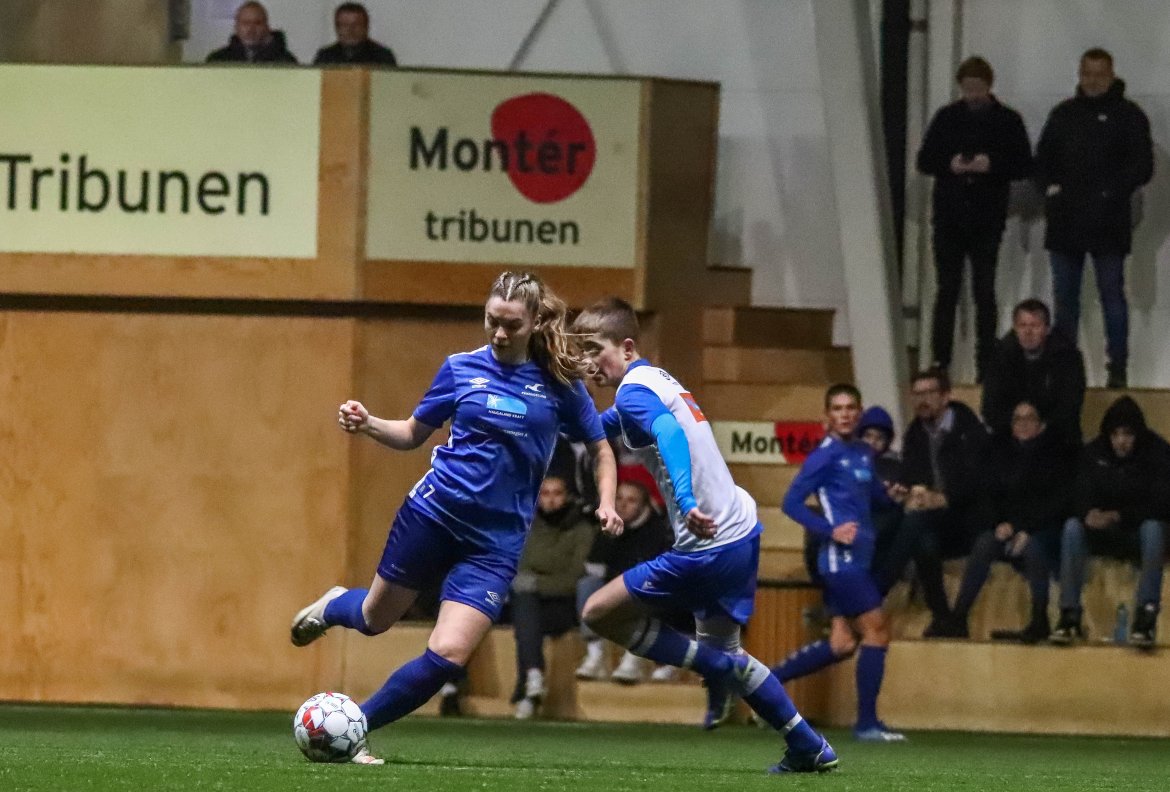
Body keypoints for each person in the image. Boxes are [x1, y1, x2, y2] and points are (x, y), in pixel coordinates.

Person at [289, 271, 622, 763]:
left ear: (535, 322)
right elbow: (411, 433)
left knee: (448, 654)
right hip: (432, 515)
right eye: (492, 321)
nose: (500, 333)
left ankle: (354, 729)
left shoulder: (559, 383)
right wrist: (368, 424)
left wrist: (607, 502)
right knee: (374, 619)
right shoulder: (460, 369)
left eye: (512, 324)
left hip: (495, 543)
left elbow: (600, 448)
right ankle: (335, 605)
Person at [572, 297, 838, 774]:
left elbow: (669, 433)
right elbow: (600, 427)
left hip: (707, 543)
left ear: (627, 347)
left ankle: (712, 669)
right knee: (727, 652)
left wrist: (686, 499)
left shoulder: (633, 393)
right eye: (582, 352)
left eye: (595, 350)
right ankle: (806, 744)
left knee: (598, 613)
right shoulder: (656, 381)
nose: (589, 362)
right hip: (741, 530)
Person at [776, 385, 906, 742]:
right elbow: (791, 503)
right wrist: (829, 530)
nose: (845, 414)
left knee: (842, 644)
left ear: (859, 413)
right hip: (840, 561)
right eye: (837, 408)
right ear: (827, 416)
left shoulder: (863, 452)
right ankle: (867, 724)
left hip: (860, 558)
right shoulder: (824, 456)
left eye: (850, 408)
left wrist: (892, 496)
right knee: (877, 629)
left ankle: (764, 683)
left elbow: (873, 497)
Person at [1036, 48, 1154, 388]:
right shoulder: (1063, 114)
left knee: (1112, 297)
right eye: (1087, 73)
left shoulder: (1129, 115)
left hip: (1109, 222)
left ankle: (1117, 368)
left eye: (1099, 74)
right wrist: (1050, 189)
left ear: (1112, 75)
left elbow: (1143, 166)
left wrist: (1111, 192)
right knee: (1064, 300)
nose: (1092, 81)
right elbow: (1042, 160)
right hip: (1065, 222)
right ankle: (1064, 370)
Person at [916, 56, 1033, 379]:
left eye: (977, 88)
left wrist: (991, 165)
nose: (972, 95)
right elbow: (924, 160)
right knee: (947, 289)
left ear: (989, 86)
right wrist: (950, 164)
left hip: (987, 217)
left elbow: (1024, 164)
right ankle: (941, 360)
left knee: (984, 290)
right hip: (949, 216)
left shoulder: (1007, 120)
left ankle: (986, 360)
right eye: (967, 89)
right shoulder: (947, 117)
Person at [1050, 396, 1169, 648]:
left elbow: (1162, 503)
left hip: (1136, 531)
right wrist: (1087, 513)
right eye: (1116, 434)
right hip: (1101, 531)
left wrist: (1119, 515)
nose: (1121, 441)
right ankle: (1069, 614)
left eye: (1127, 434)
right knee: (1072, 527)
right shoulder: (1093, 453)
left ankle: (1146, 617)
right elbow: (1075, 494)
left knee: (1154, 530)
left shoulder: (1158, 453)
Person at [948, 402, 1071, 643]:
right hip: (1008, 526)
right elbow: (988, 495)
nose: (1022, 424)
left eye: (1029, 418)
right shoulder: (999, 453)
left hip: (1043, 528)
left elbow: (1057, 503)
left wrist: (1025, 529)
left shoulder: (1055, 456)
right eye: (1017, 419)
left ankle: (1040, 620)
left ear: (1041, 424)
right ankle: (959, 617)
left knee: (1034, 547)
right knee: (985, 542)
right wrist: (1000, 523)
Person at [897, 369, 992, 637]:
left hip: (970, 515)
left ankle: (957, 617)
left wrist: (945, 497)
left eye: (929, 393)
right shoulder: (914, 433)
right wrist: (912, 492)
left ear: (945, 396)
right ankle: (942, 615)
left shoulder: (970, 430)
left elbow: (980, 480)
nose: (922, 400)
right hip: (935, 519)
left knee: (919, 529)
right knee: (921, 537)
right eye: (917, 394)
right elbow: (910, 474)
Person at [575, 467, 674, 684]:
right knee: (587, 584)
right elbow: (593, 566)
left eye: (631, 500)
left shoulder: (657, 531)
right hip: (616, 589)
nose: (622, 505)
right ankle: (595, 654)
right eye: (618, 498)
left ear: (644, 504)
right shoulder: (609, 525)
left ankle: (633, 658)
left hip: (651, 593)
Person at [510, 474, 597, 719]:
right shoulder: (527, 526)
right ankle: (533, 677)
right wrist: (533, 582)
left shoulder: (582, 530)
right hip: (531, 604)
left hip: (567, 607)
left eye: (557, 493)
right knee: (525, 607)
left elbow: (574, 578)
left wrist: (536, 582)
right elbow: (520, 569)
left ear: (567, 497)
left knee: (525, 605)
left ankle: (529, 688)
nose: (550, 500)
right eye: (545, 494)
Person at [981, 299, 1086, 451]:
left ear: (1047, 329)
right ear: (1015, 328)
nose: (1028, 332)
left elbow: (1070, 406)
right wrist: (1018, 423)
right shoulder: (1000, 356)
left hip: (1056, 441)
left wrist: (1038, 425)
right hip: (1009, 440)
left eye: (1035, 326)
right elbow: (990, 408)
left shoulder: (1067, 357)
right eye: (1022, 325)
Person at [206, 2, 297, 64]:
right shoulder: (218, 60)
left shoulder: (285, 61)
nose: (251, 29)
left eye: (257, 23)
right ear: (236, 27)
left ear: (267, 28)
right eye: (246, 23)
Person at [313, 2, 398, 66]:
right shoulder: (325, 57)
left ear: (366, 27)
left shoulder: (382, 57)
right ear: (336, 28)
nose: (350, 30)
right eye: (345, 25)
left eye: (356, 25)